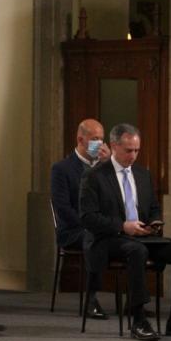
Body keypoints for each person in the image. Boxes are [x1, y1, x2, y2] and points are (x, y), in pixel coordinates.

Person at [79, 123, 171, 341]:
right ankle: (138, 319)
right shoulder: (95, 176)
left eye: (137, 150)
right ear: (114, 146)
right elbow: (88, 218)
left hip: (141, 236)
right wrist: (122, 226)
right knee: (137, 251)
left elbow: (153, 207)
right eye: (128, 150)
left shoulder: (142, 174)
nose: (133, 155)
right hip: (108, 239)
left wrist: (154, 222)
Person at [50, 119, 111, 319]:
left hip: (100, 226)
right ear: (80, 140)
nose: (100, 144)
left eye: (102, 139)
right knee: (94, 239)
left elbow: (115, 198)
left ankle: (135, 301)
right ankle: (90, 299)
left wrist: (110, 166)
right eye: (95, 139)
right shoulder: (62, 169)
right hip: (73, 229)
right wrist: (90, 224)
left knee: (131, 239)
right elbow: (63, 208)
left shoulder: (105, 167)